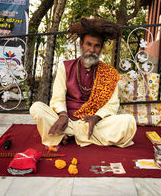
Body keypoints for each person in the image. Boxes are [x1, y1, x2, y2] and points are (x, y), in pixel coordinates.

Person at [30, 17, 137, 148]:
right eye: (88, 44)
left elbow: (112, 105)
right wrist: (63, 116)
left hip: (93, 123)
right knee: (37, 108)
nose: (92, 50)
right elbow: (57, 99)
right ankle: (79, 134)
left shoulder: (109, 73)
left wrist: (95, 118)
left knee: (128, 122)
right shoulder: (65, 67)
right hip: (67, 120)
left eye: (97, 46)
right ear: (81, 44)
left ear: (101, 48)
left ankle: (65, 135)